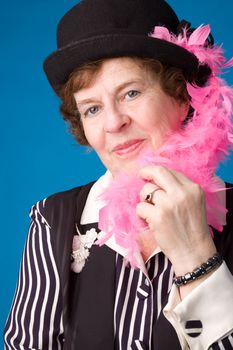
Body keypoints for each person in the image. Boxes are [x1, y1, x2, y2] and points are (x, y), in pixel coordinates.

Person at [4, 0, 233, 349]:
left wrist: (196, 257)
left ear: (183, 95)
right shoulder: (52, 222)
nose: (113, 123)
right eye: (92, 108)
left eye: (131, 93)